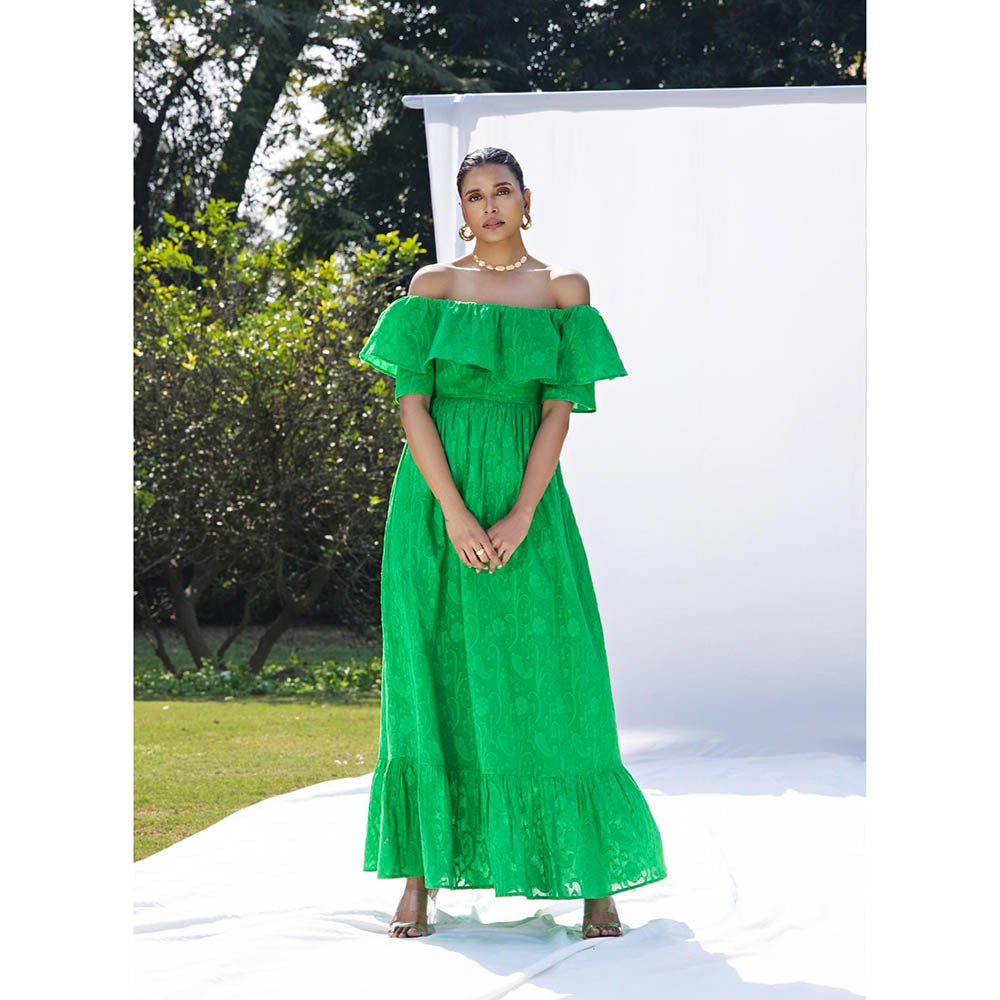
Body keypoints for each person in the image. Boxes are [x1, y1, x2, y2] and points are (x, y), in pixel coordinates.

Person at [359, 147, 667, 939]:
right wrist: (456, 514)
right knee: (431, 677)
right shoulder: (433, 287)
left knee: (558, 673)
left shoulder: (563, 291)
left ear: (527, 201)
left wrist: (522, 513)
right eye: (474, 196)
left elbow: (558, 409)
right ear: (461, 209)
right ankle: (419, 878)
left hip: (530, 504)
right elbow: (413, 405)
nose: (489, 206)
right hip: (434, 508)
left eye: (502, 192)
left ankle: (595, 878)